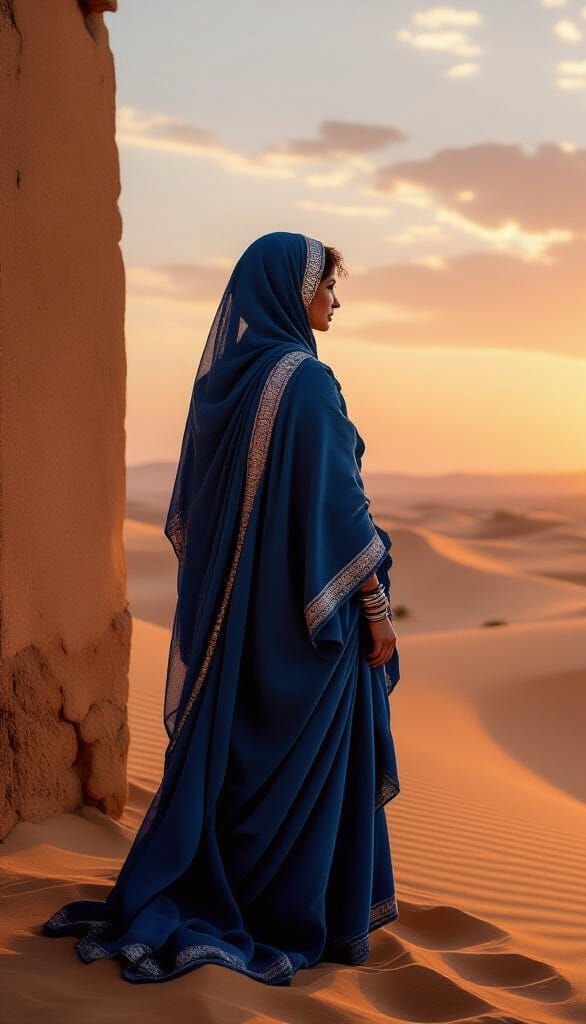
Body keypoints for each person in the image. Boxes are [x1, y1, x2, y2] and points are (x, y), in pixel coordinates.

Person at [40, 231, 401, 985]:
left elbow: (205, 515)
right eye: (328, 284)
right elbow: (341, 507)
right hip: (309, 628)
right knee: (307, 766)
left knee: (244, 758)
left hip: (241, 628)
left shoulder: (233, 381)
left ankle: (231, 891)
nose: (337, 300)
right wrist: (374, 607)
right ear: (293, 289)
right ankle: (294, 915)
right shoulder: (306, 382)